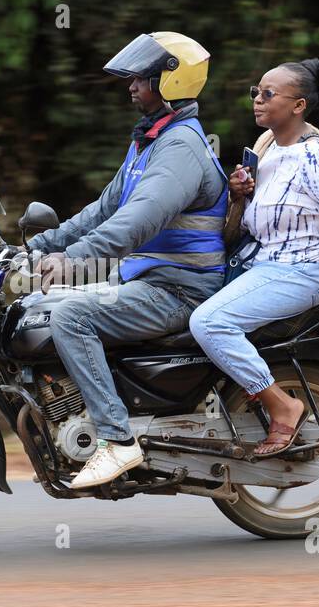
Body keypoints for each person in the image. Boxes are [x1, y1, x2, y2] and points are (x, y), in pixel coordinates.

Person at [26, 31, 229, 489]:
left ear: (171, 83)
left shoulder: (180, 149)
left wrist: (74, 259)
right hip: (148, 280)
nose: (131, 86)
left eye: (142, 78)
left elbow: (137, 221)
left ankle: (117, 441)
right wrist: (38, 247)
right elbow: (103, 210)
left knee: (72, 317)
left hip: (179, 289)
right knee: (39, 308)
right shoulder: (149, 142)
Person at [188, 58, 319, 456]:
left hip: (305, 270)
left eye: (268, 94)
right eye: (255, 93)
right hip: (264, 266)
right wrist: (239, 195)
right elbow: (244, 228)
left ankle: (284, 407)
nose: (257, 101)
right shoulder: (266, 152)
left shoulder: (316, 158)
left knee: (209, 323)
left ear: (298, 106)